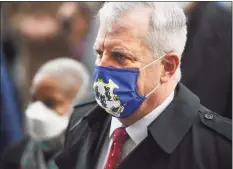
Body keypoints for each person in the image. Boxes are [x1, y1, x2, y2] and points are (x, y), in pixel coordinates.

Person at [54, 2, 232, 169]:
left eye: (120, 56)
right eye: (100, 53)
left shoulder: (217, 149)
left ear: (168, 66)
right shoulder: (81, 121)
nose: (102, 67)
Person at [1, 58, 91, 169]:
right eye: (34, 100)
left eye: (50, 103)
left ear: (80, 103)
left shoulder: (94, 155)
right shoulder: (15, 157)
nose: (37, 109)